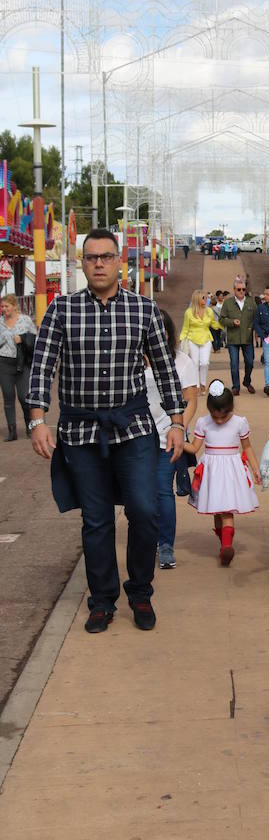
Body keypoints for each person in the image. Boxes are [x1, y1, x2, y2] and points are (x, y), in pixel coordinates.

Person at [27, 227, 185, 632]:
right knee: (96, 520)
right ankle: (102, 600)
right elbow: (43, 366)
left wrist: (178, 422)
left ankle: (141, 592)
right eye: (91, 257)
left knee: (145, 512)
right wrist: (37, 420)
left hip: (132, 428)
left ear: (120, 263)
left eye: (106, 257)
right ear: (83, 264)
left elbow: (166, 370)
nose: (99, 263)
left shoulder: (144, 310)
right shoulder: (62, 310)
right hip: (80, 432)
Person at [145, 309, 198, 569]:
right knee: (140, 494)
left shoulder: (182, 361)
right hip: (134, 435)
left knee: (162, 490)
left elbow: (190, 398)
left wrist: (179, 427)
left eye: (162, 330)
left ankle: (165, 545)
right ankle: (146, 541)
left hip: (167, 435)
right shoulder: (131, 360)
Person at [186, 380, 259, 566]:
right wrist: (179, 443)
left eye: (223, 416)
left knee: (227, 510)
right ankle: (223, 545)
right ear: (210, 409)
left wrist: (255, 468)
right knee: (216, 511)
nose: (219, 421)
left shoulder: (239, 422)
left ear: (231, 408)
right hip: (211, 472)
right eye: (215, 416)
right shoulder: (203, 422)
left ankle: (227, 546)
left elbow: (247, 447)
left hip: (231, 471)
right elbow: (195, 448)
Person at [0, 294, 36, 440]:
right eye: (2, 307)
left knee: (24, 396)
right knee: (8, 397)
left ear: (14, 306)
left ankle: (29, 425)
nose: (4, 309)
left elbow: (35, 338)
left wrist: (22, 338)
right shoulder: (0, 322)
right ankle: (12, 431)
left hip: (22, 363)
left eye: (6, 306)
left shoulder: (25, 320)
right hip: (4, 363)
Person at [220, 275, 258, 395]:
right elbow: (221, 320)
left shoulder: (251, 301)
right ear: (234, 290)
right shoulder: (228, 303)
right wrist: (231, 322)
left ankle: (247, 381)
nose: (241, 291)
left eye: (243, 289)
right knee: (234, 364)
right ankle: (235, 386)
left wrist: (252, 327)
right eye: (239, 289)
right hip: (233, 338)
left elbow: (256, 317)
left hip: (247, 338)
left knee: (250, 362)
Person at [179, 289, 220, 389]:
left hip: (206, 338)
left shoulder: (209, 311)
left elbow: (214, 324)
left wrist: (225, 324)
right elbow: (185, 328)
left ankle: (203, 383)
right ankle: (196, 385)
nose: (206, 300)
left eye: (206, 298)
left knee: (204, 362)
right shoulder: (189, 312)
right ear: (197, 299)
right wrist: (181, 339)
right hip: (192, 339)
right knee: (194, 363)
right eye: (203, 298)